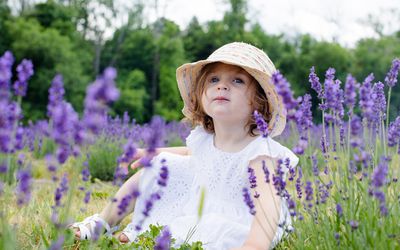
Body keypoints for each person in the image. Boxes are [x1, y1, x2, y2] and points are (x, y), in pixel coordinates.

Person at [70, 42, 298, 250]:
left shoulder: (260, 153)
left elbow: (268, 208)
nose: (222, 86)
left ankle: (145, 233)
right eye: (214, 80)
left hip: (239, 218)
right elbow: (192, 153)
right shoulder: (204, 138)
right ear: (201, 95)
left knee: (202, 234)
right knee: (160, 165)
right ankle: (104, 221)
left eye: (237, 80)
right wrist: (153, 153)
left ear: (259, 100)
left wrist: (254, 245)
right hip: (201, 201)